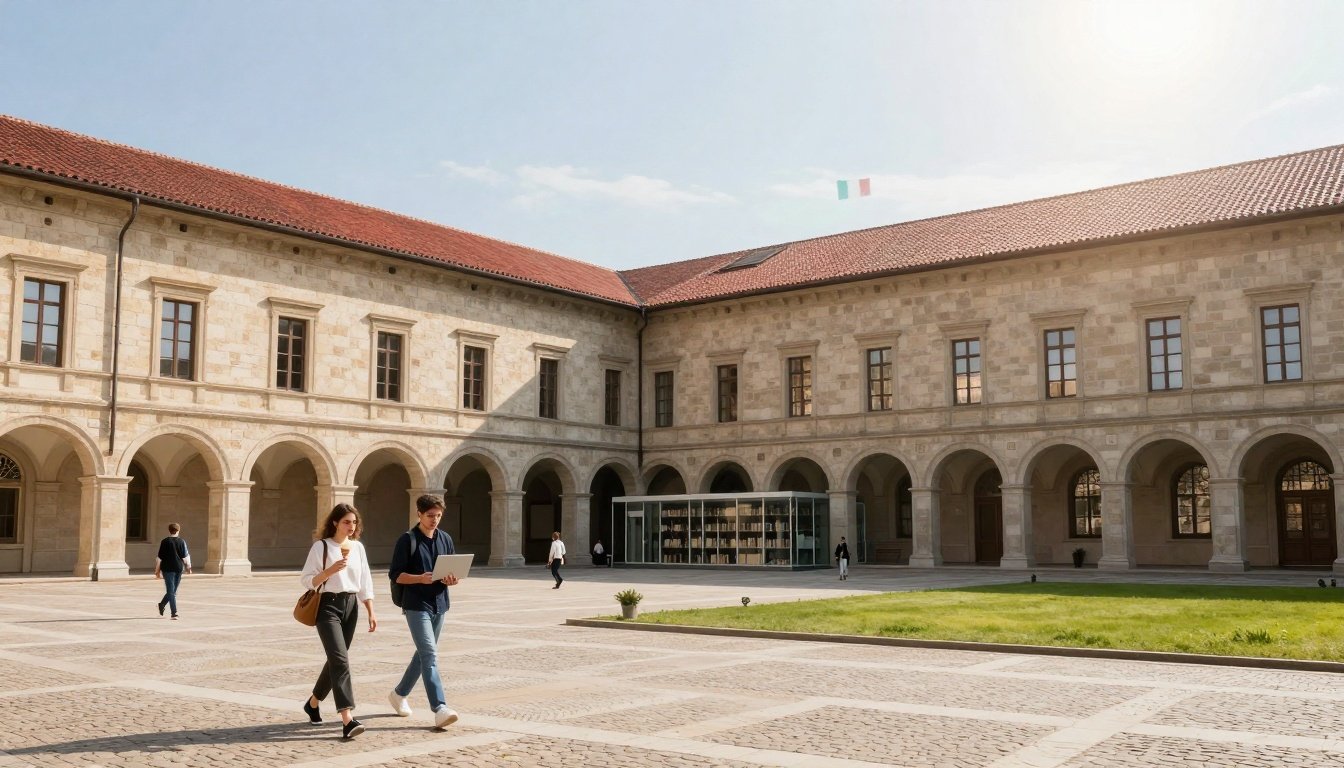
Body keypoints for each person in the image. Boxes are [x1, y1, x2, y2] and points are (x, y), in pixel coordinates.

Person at [300, 503, 377, 740]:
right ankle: (347, 719)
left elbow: (365, 581)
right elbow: (307, 580)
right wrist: (330, 571)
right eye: (346, 522)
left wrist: (370, 611)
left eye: (354, 522)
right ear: (335, 522)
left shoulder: (358, 548)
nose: (351, 526)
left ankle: (313, 703)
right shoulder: (321, 547)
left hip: (351, 606)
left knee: (336, 660)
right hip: (328, 606)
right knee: (341, 660)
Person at [387, 495, 461, 730]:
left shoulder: (445, 539)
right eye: (430, 516)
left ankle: (399, 694)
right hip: (416, 604)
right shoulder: (407, 540)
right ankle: (440, 708)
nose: (434, 520)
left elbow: (452, 571)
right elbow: (395, 575)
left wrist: (452, 579)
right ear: (419, 514)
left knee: (423, 655)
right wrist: (420, 578)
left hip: (440, 603)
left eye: (438, 516)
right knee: (429, 653)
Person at [154, 522, 192, 619]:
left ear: (169, 530)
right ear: (178, 530)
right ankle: (174, 613)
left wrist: (157, 570)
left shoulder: (164, 541)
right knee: (172, 592)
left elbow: (159, 558)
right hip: (178, 568)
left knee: (172, 591)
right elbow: (185, 556)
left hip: (167, 569)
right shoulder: (182, 541)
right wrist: (188, 567)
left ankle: (162, 604)